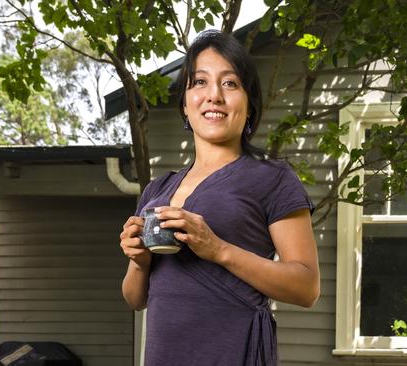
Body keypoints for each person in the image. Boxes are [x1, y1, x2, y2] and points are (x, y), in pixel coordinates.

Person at [119, 29, 320, 366]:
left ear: (249, 103)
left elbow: (307, 288)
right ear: (185, 102)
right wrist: (139, 261)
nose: (214, 95)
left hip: (233, 353)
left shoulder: (272, 179)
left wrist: (218, 249)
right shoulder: (156, 191)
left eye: (230, 83)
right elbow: (135, 298)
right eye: (199, 82)